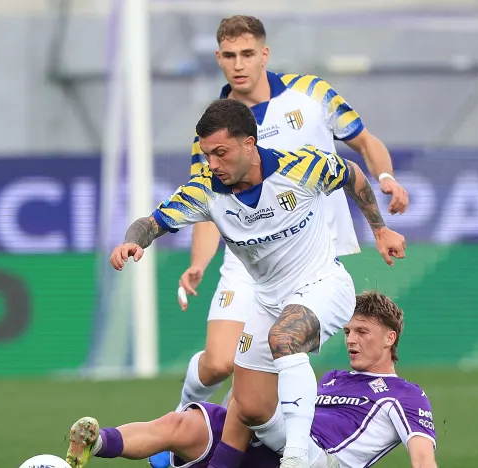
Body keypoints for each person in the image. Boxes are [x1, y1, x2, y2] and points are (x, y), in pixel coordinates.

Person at [109, 98, 406, 468]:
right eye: (207, 156)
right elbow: (152, 222)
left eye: (221, 153)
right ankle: (319, 461)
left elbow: (353, 176)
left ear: (249, 144)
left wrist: (380, 229)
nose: (213, 164)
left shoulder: (302, 167)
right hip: (267, 302)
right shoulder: (204, 191)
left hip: (324, 285)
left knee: (285, 337)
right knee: (250, 408)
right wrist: (131, 241)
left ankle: (297, 456)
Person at [170, 14, 409, 429]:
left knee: (265, 372)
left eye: (247, 54)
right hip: (249, 260)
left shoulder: (312, 93)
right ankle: (180, 418)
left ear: (265, 54)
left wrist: (385, 178)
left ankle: (213, 444)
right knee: (219, 363)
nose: (239, 64)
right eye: (229, 56)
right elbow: (207, 204)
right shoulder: (213, 131)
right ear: (218, 59)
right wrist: (199, 263)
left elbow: (365, 143)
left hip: (311, 254)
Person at [64, 291, 437, 468]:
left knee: (254, 389)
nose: (352, 339)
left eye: (363, 332)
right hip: (278, 444)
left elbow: (423, 459)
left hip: (313, 458)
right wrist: (220, 422)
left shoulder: (405, 394)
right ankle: (96, 444)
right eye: (349, 331)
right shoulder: (335, 378)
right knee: (183, 422)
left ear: (390, 338)